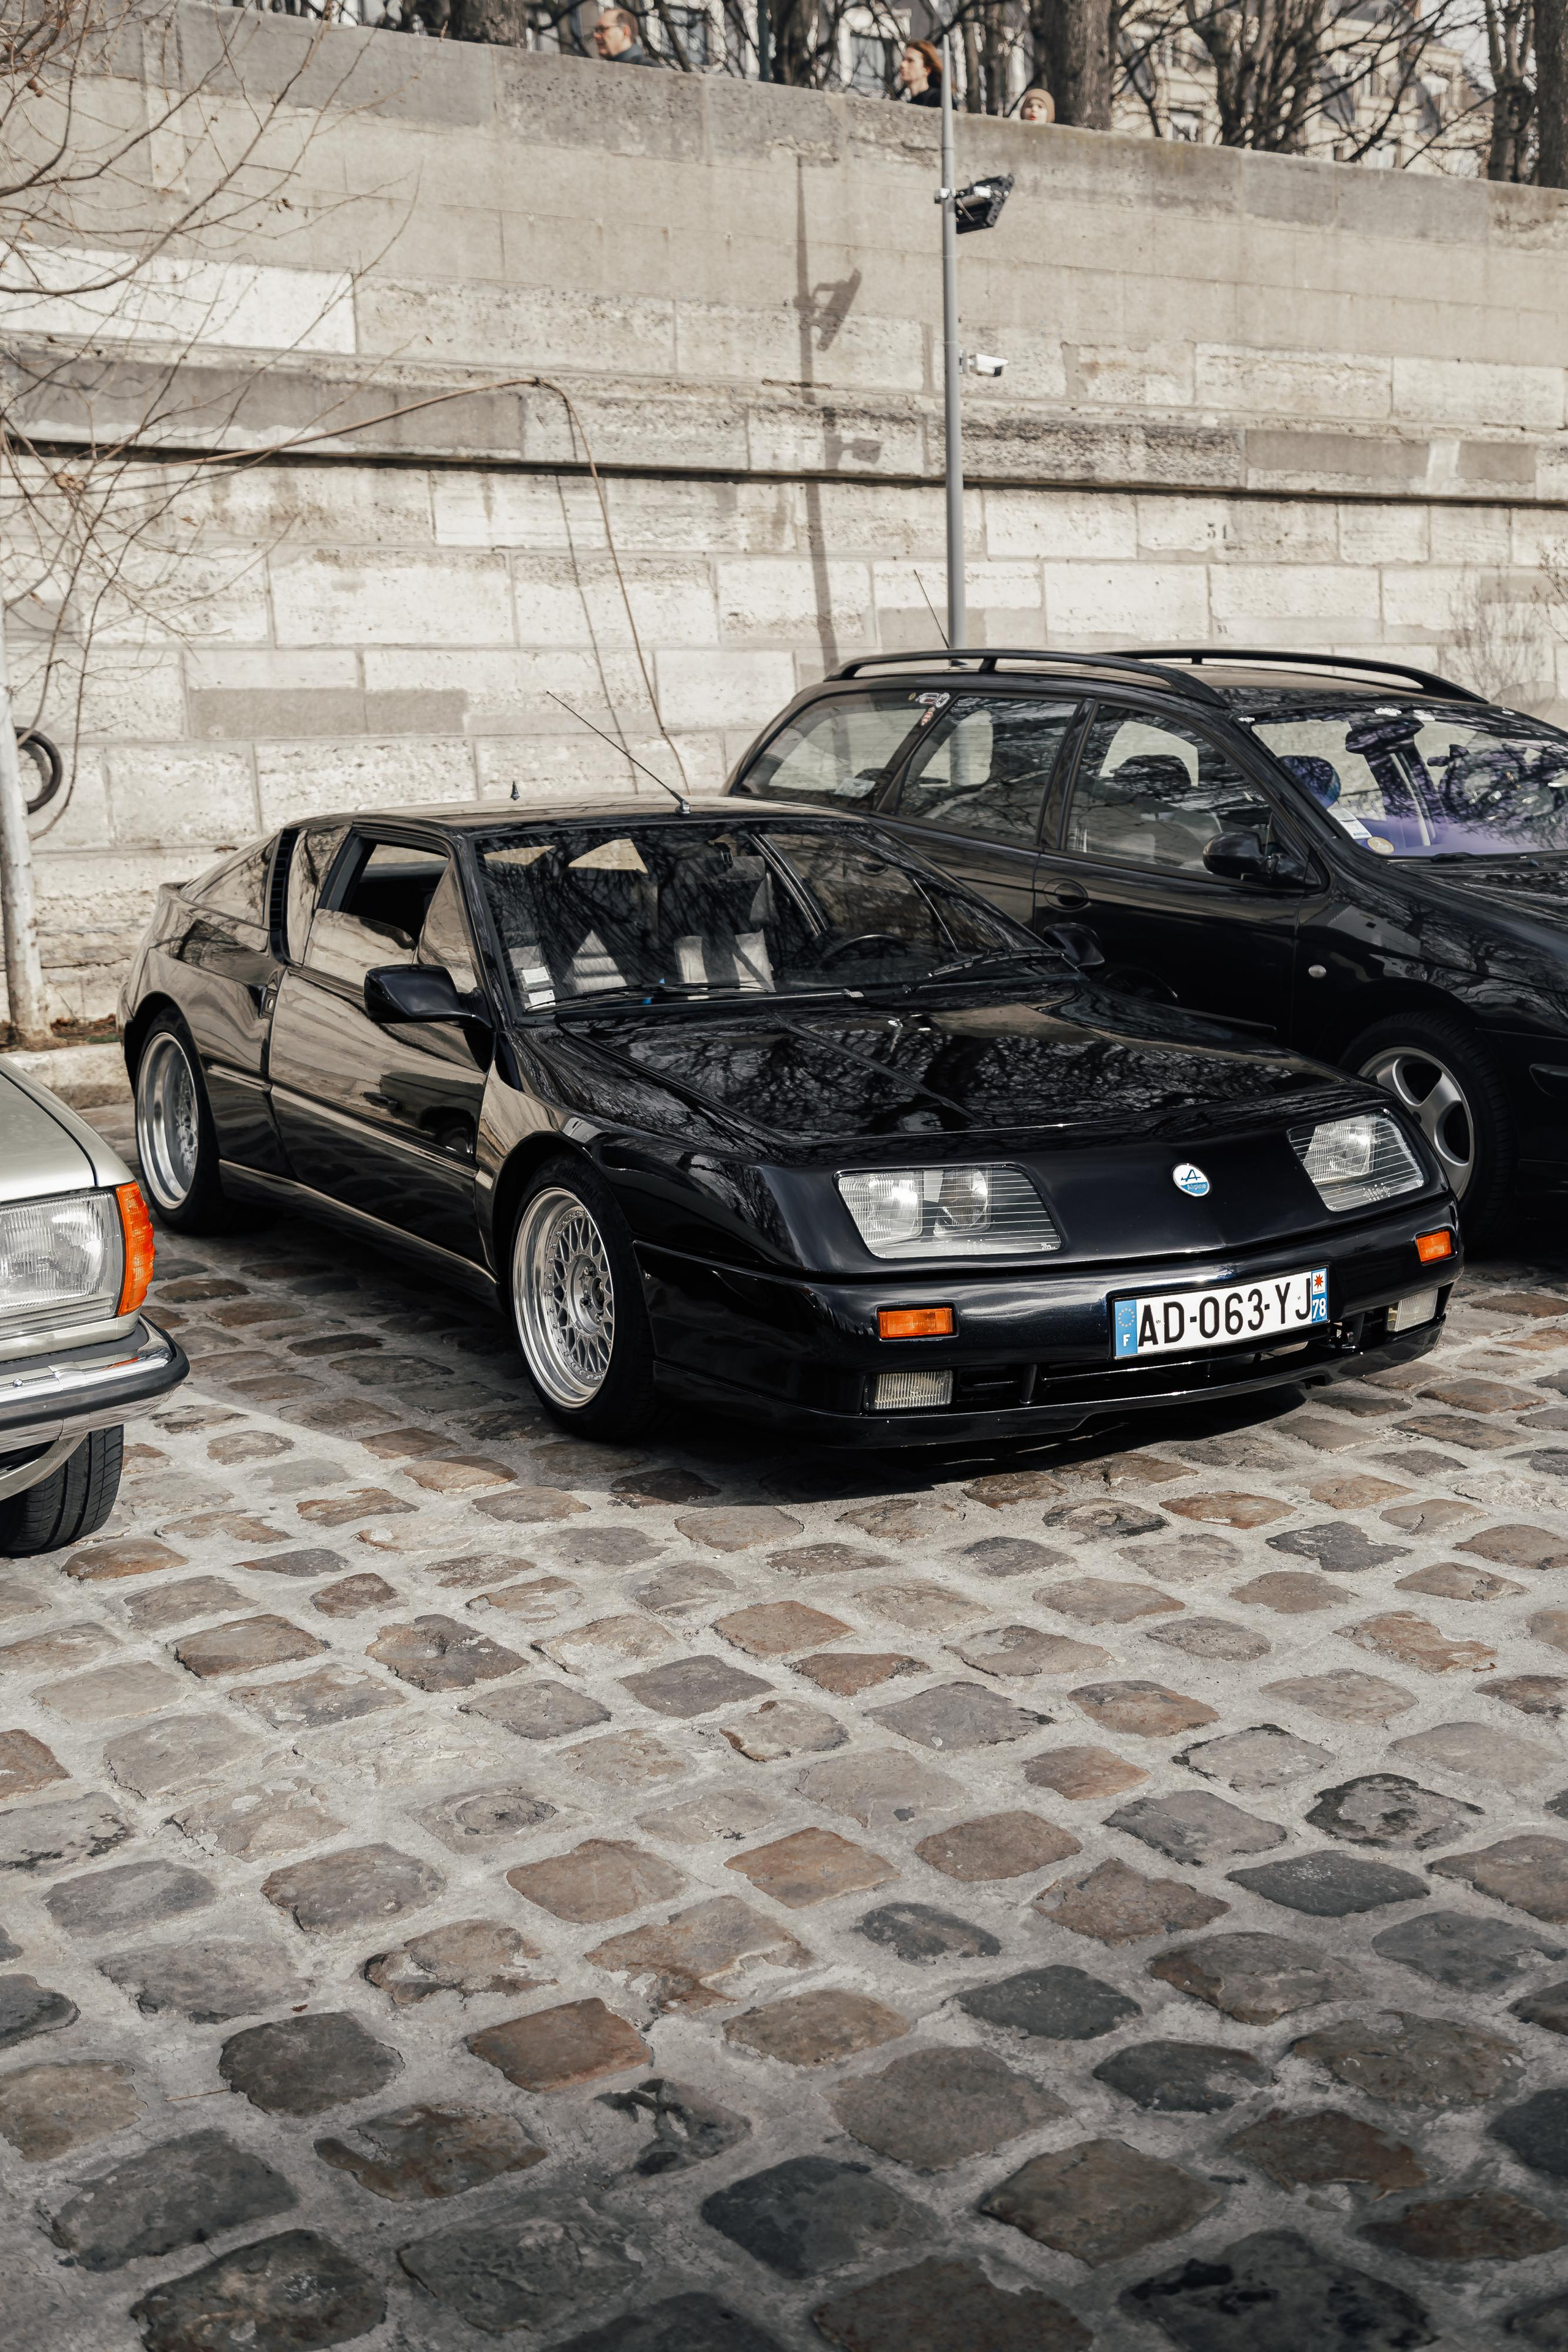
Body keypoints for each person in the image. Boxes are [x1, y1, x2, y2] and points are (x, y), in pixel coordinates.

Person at [593, 9, 657, 63]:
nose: (596, 35)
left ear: (625, 32)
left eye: (603, 29)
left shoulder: (650, 69)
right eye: (596, 30)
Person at [899, 39, 944, 107]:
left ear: (927, 69)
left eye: (911, 61)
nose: (903, 64)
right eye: (903, 60)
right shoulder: (911, 103)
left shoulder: (941, 99)